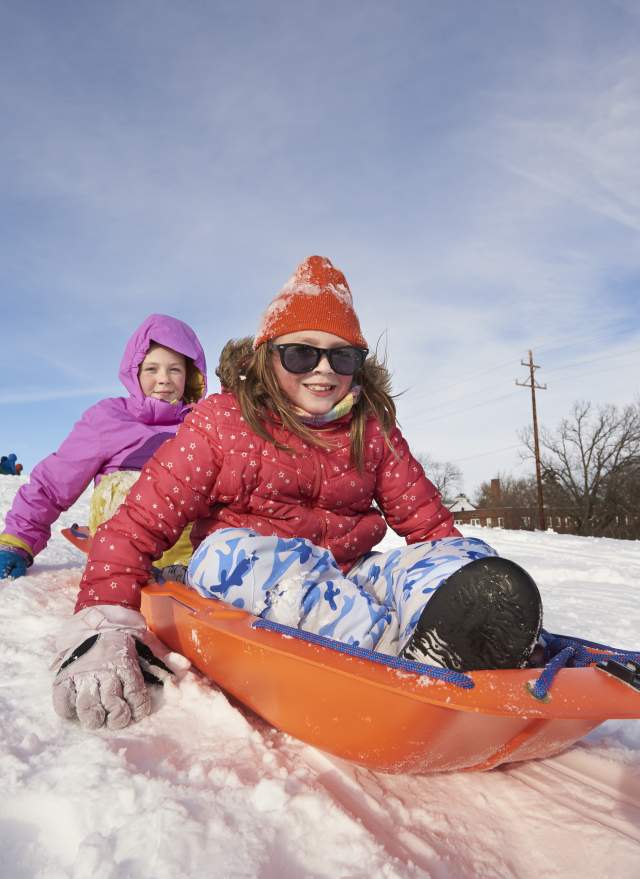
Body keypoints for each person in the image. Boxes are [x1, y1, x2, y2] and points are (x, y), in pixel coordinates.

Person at [52, 257, 542, 731]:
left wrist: (458, 576)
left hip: (351, 579)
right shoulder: (223, 422)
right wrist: (104, 622)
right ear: (269, 355)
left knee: (466, 556)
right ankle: (395, 657)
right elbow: (138, 524)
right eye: (302, 353)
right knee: (229, 555)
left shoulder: (370, 429)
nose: (323, 370)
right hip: (253, 578)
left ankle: (465, 641)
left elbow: (431, 529)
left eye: (343, 355)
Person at [0, 314, 207, 581]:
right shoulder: (110, 418)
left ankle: (197, 568)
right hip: (123, 535)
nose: (164, 379)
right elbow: (55, 480)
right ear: (135, 372)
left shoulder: (202, 425)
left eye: (174, 369)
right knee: (127, 483)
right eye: (152, 369)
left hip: (188, 545)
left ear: (190, 375)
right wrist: (16, 542)